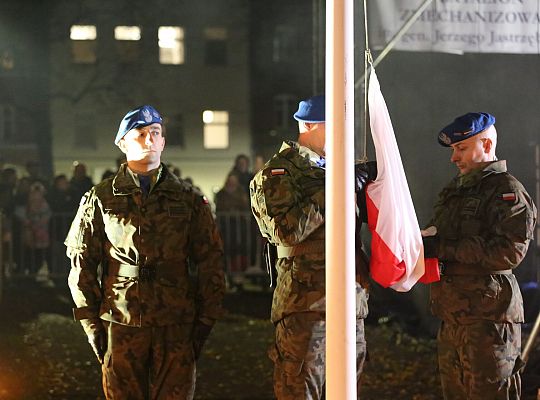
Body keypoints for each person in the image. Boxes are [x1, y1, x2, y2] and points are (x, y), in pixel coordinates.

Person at [65, 105, 226, 399]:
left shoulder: (188, 198)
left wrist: (206, 319)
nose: (150, 139)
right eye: (140, 133)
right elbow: (82, 263)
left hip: (176, 323)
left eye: (156, 133)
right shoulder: (100, 198)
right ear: (123, 143)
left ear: (164, 141)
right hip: (121, 320)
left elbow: (210, 261)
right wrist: (91, 321)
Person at [249, 95, 374, 399]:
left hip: (349, 302)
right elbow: (286, 231)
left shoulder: (341, 171)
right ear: (308, 125)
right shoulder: (278, 173)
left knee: (346, 391)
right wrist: (335, 189)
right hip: (305, 305)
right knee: (301, 390)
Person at [422, 112, 537, 399]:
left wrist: (443, 246)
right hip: (453, 317)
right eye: (453, 150)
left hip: (489, 321)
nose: (454, 158)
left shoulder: (506, 191)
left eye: (461, 149)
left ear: (486, 146)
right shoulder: (454, 192)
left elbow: (509, 252)